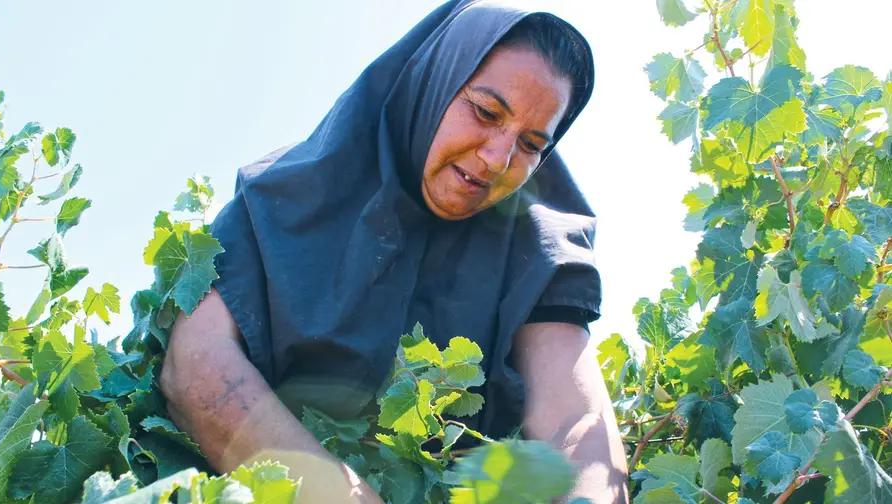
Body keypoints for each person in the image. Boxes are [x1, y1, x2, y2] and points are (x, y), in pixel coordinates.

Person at [159, 1, 628, 502]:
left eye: (532, 144)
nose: (498, 159)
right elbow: (196, 366)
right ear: (434, 82)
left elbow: (575, 420)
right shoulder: (285, 196)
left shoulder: (534, 243)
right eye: (486, 112)